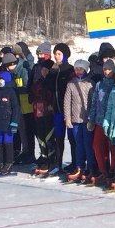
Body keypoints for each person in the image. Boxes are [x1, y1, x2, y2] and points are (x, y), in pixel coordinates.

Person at [44, 43, 75, 176]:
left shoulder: (70, 70)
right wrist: (49, 74)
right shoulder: (54, 70)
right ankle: (58, 163)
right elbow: (49, 88)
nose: (56, 56)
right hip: (57, 109)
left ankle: (75, 164)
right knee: (58, 137)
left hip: (69, 110)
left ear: (65, 55)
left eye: (59, 54)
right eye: (55, 54)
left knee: (73, 139)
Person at [64, 59, 94, 183]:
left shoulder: (90, 83)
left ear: (85, 69)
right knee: (78, 144)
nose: (78, 71)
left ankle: (91, 167)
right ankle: (79, 166)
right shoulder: (71, 84)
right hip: (75, 119)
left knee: (88, 144)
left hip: (87, 119)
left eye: (80, 68)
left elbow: (93, 102)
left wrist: (92, 118)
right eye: (76, 69)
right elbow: (67, 102)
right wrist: (68, 118)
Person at [0, 71, 21, 175]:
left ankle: (9, 162)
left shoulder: (11, 92)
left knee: (7, 141)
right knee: (0, 142)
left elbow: (16, 108)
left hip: (8, 123)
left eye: (1, 79)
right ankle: (1, 161)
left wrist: (14, 123)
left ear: (6, 80)